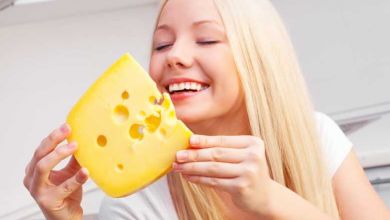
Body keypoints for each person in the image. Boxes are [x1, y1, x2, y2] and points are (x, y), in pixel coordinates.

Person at [23, 0, 390, 219]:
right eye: (162, 44)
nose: (176, 56)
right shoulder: (142, 199)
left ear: (258, 58)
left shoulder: (317, 139)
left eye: (207, 39)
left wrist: (272, 200)